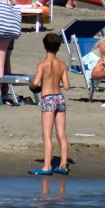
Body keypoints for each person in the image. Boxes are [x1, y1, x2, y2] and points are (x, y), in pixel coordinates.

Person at [28, 32, 70, 176]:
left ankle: (46, 166)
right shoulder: (62, 64)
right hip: (60, 98)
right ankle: (63, 165)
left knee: (47, 135)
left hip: (48, 99)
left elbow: (35, 82)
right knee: (61, 134)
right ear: (59, 48)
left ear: (44, 46)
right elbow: (67, 86)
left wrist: (33, 87)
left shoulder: (42, 65)